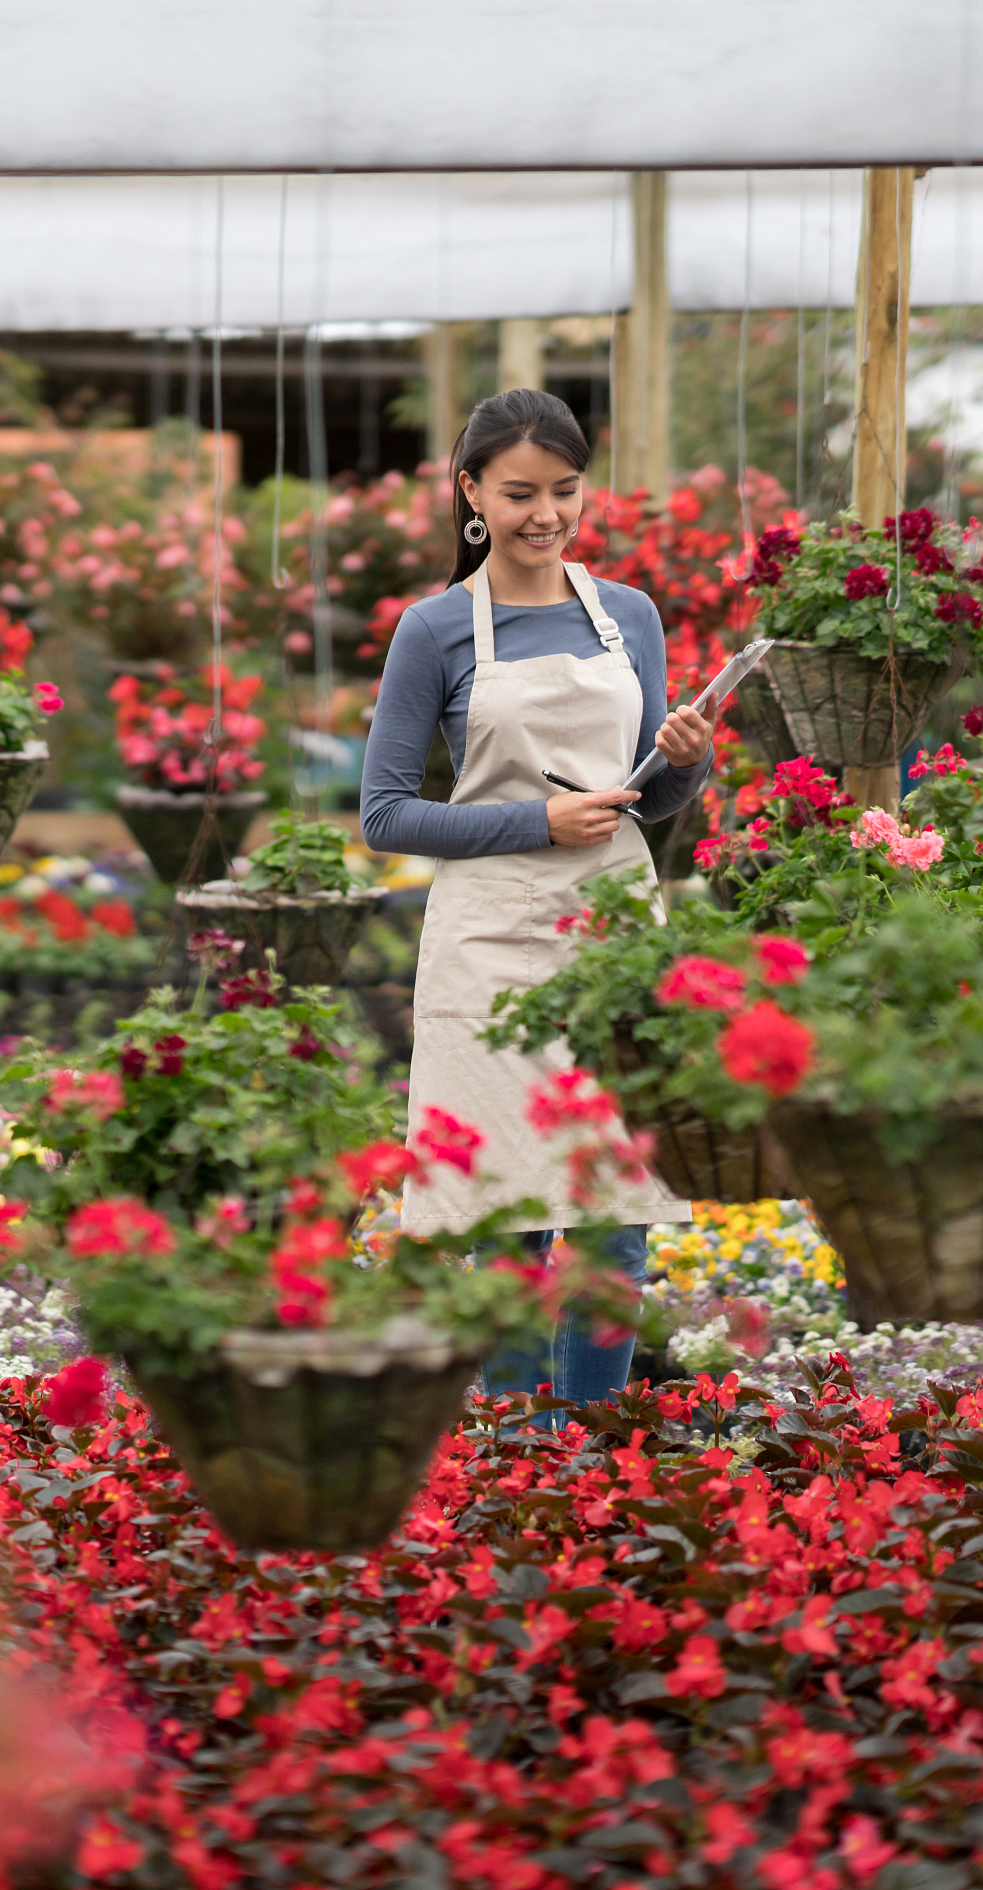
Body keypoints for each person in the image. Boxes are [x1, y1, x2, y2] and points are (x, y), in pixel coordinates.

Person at [359, 389, 714, 1403]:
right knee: (506, 1213)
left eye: (564, 490)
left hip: (611, 929)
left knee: (615, 1207)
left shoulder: (629, 615)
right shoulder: (432, 631)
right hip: (487, 942)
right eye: (520, 493)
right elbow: (384, 817)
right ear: (471, 491)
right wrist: (535, 822)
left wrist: (684, 763)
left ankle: (594, 1443)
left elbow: (648, 804)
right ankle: (521, 1465)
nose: (545, 514)